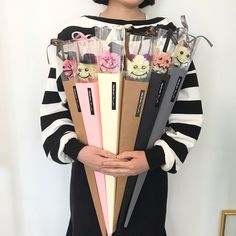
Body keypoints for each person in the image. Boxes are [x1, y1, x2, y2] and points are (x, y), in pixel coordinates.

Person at [40, 0, 203, 235]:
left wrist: (151, 159)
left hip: (147, 176)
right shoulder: (75, 34)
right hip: (89, 174)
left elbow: (187, 114)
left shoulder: (170, 37)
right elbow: (55, 108)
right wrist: (80, 151)